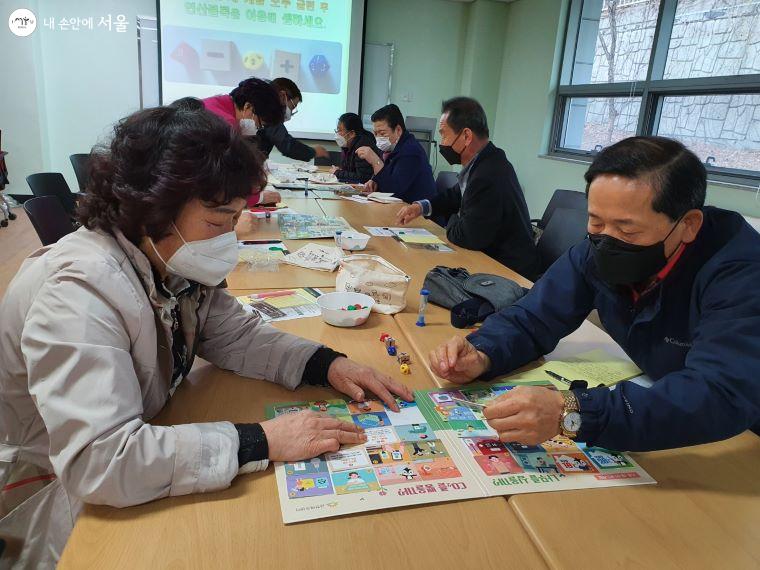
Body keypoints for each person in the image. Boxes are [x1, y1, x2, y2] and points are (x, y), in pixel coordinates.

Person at [0, 107, 413, 567]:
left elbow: (239, 336)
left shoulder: (166, 258)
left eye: (234, 220)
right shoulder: (78, 291)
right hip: (58, 492)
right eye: (218, 223)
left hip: (142, 440)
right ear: (151, 208)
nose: (228, 241)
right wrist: (260, 441)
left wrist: (330, 364)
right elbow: (101, 461)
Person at [428, 136, 760, 453]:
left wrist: (573, 411)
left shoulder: (740, 271)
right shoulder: (595, 251)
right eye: (596, 222)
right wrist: (484, 352)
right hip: (660, 407)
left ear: (688, 224)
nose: (606, 240)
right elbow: (534, 315)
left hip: (739, 437)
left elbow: (722, 392)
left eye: (627, 229)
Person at [396, 97, 540, 281]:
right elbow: (455, 195)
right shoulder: (484, 162)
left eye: (444, 134)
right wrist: (420, 207)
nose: (442, 142)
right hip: (490, 258)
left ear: (466, 136)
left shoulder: (489, 174)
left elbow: (466, 236)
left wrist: (452, 219)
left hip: (508, 272)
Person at [202, 77, 284, 205]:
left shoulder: (216, 103)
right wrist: (258, 198)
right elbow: (225, 185)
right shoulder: (225, 125)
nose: (257, 128)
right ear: (248, 107)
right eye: (260, 123)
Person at [357, 104, 436, 203]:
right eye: (375, 134)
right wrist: (375, 181)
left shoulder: (410, 151)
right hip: (400, 208)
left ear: (398, 130)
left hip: (419, 214)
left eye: (382, 133)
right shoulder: (392, 148)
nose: (378, 138)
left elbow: (392, 191)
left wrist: (375, 161)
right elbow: (388, 176)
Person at [256, 77, 330, 162]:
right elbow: (287, 145)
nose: (291, 112)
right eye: (293, 106)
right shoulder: (269, 111)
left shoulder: (265, 106)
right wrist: (313, 152)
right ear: (282, 96)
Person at [331, 112, 381, 184]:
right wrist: (341, 171)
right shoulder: (347, 145)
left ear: (351, 134)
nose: (337, 133)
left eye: (340, 130)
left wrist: (337, 173)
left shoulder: (362, 146)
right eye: (337, 130)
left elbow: (362, 178)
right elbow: (350, 171)